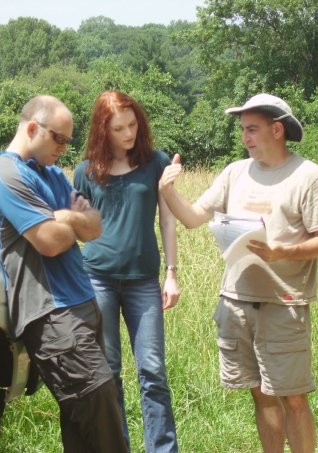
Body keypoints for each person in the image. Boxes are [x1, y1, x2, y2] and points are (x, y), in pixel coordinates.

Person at [159, 93, 318, 453]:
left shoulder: (308, 175)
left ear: (276, 130)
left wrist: (281, 251)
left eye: (252, 130)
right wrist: (167, 189)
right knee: (260, 394)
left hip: (284, 304)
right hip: (236, 302)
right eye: (243, 130)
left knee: (293, 398)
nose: (245, 138)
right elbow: (193, 218)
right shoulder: (235, 172)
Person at [0, 95, 128, 453]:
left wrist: (67, 217)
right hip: (52, 315)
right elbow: (49, 241)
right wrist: (66, 220)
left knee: (83, 426)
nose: (64, 148)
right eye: (59, 138)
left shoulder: (48, 174)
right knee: (104, 413)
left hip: (83, 306)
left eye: (68, 141)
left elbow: (94, 225)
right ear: (33, 128)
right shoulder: (6, 175)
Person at [73, 90, 181, 453]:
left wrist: (172, 273)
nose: (129, 133)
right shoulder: (85, 171)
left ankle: (162, 449)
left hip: (143, 281)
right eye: (119, 128)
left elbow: (168, 222)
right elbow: (74, 226)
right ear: (104, 130)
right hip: (97, 277)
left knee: (152, 371)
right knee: (109, 372)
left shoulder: (156, 163)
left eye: (133, 124)